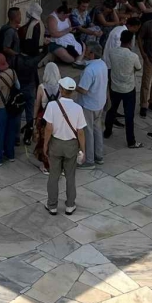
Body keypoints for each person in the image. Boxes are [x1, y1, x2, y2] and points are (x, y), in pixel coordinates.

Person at [42, 76, 86, 216]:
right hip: (71, 145)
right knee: (70, 176)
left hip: (56, 143)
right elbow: (80, 132)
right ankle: (70, 205)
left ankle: (52, 205)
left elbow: (48, 128)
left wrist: (45, 144)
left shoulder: (52, 106)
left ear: (61, 90)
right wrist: (83, 150)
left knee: (53, 176)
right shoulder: (78, 108)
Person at [103, 28, 144, 148]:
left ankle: (107, 132)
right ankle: (131, 141)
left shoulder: (112, 52)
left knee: (111, 110)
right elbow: (138, 68)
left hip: (115, 87)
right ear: (131, 42)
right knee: (129, 115)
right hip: (128, 89)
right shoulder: (133, 56)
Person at [76, 40, 108, 166]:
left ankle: (89, 160)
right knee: (97, 130)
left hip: (88, 105)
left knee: (88, 132)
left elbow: (83, 89)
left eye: (87, 51)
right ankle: (99, 156)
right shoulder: (102, 65)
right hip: (99, 103)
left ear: (92, 54)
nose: (85, 53)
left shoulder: (89, 70)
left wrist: (74, 86)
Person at [0, 53, 21, 163]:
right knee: (10, 130)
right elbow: (18, 86)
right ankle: (10, 154)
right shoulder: (12, 72)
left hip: (1, 107)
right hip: (12, 106)